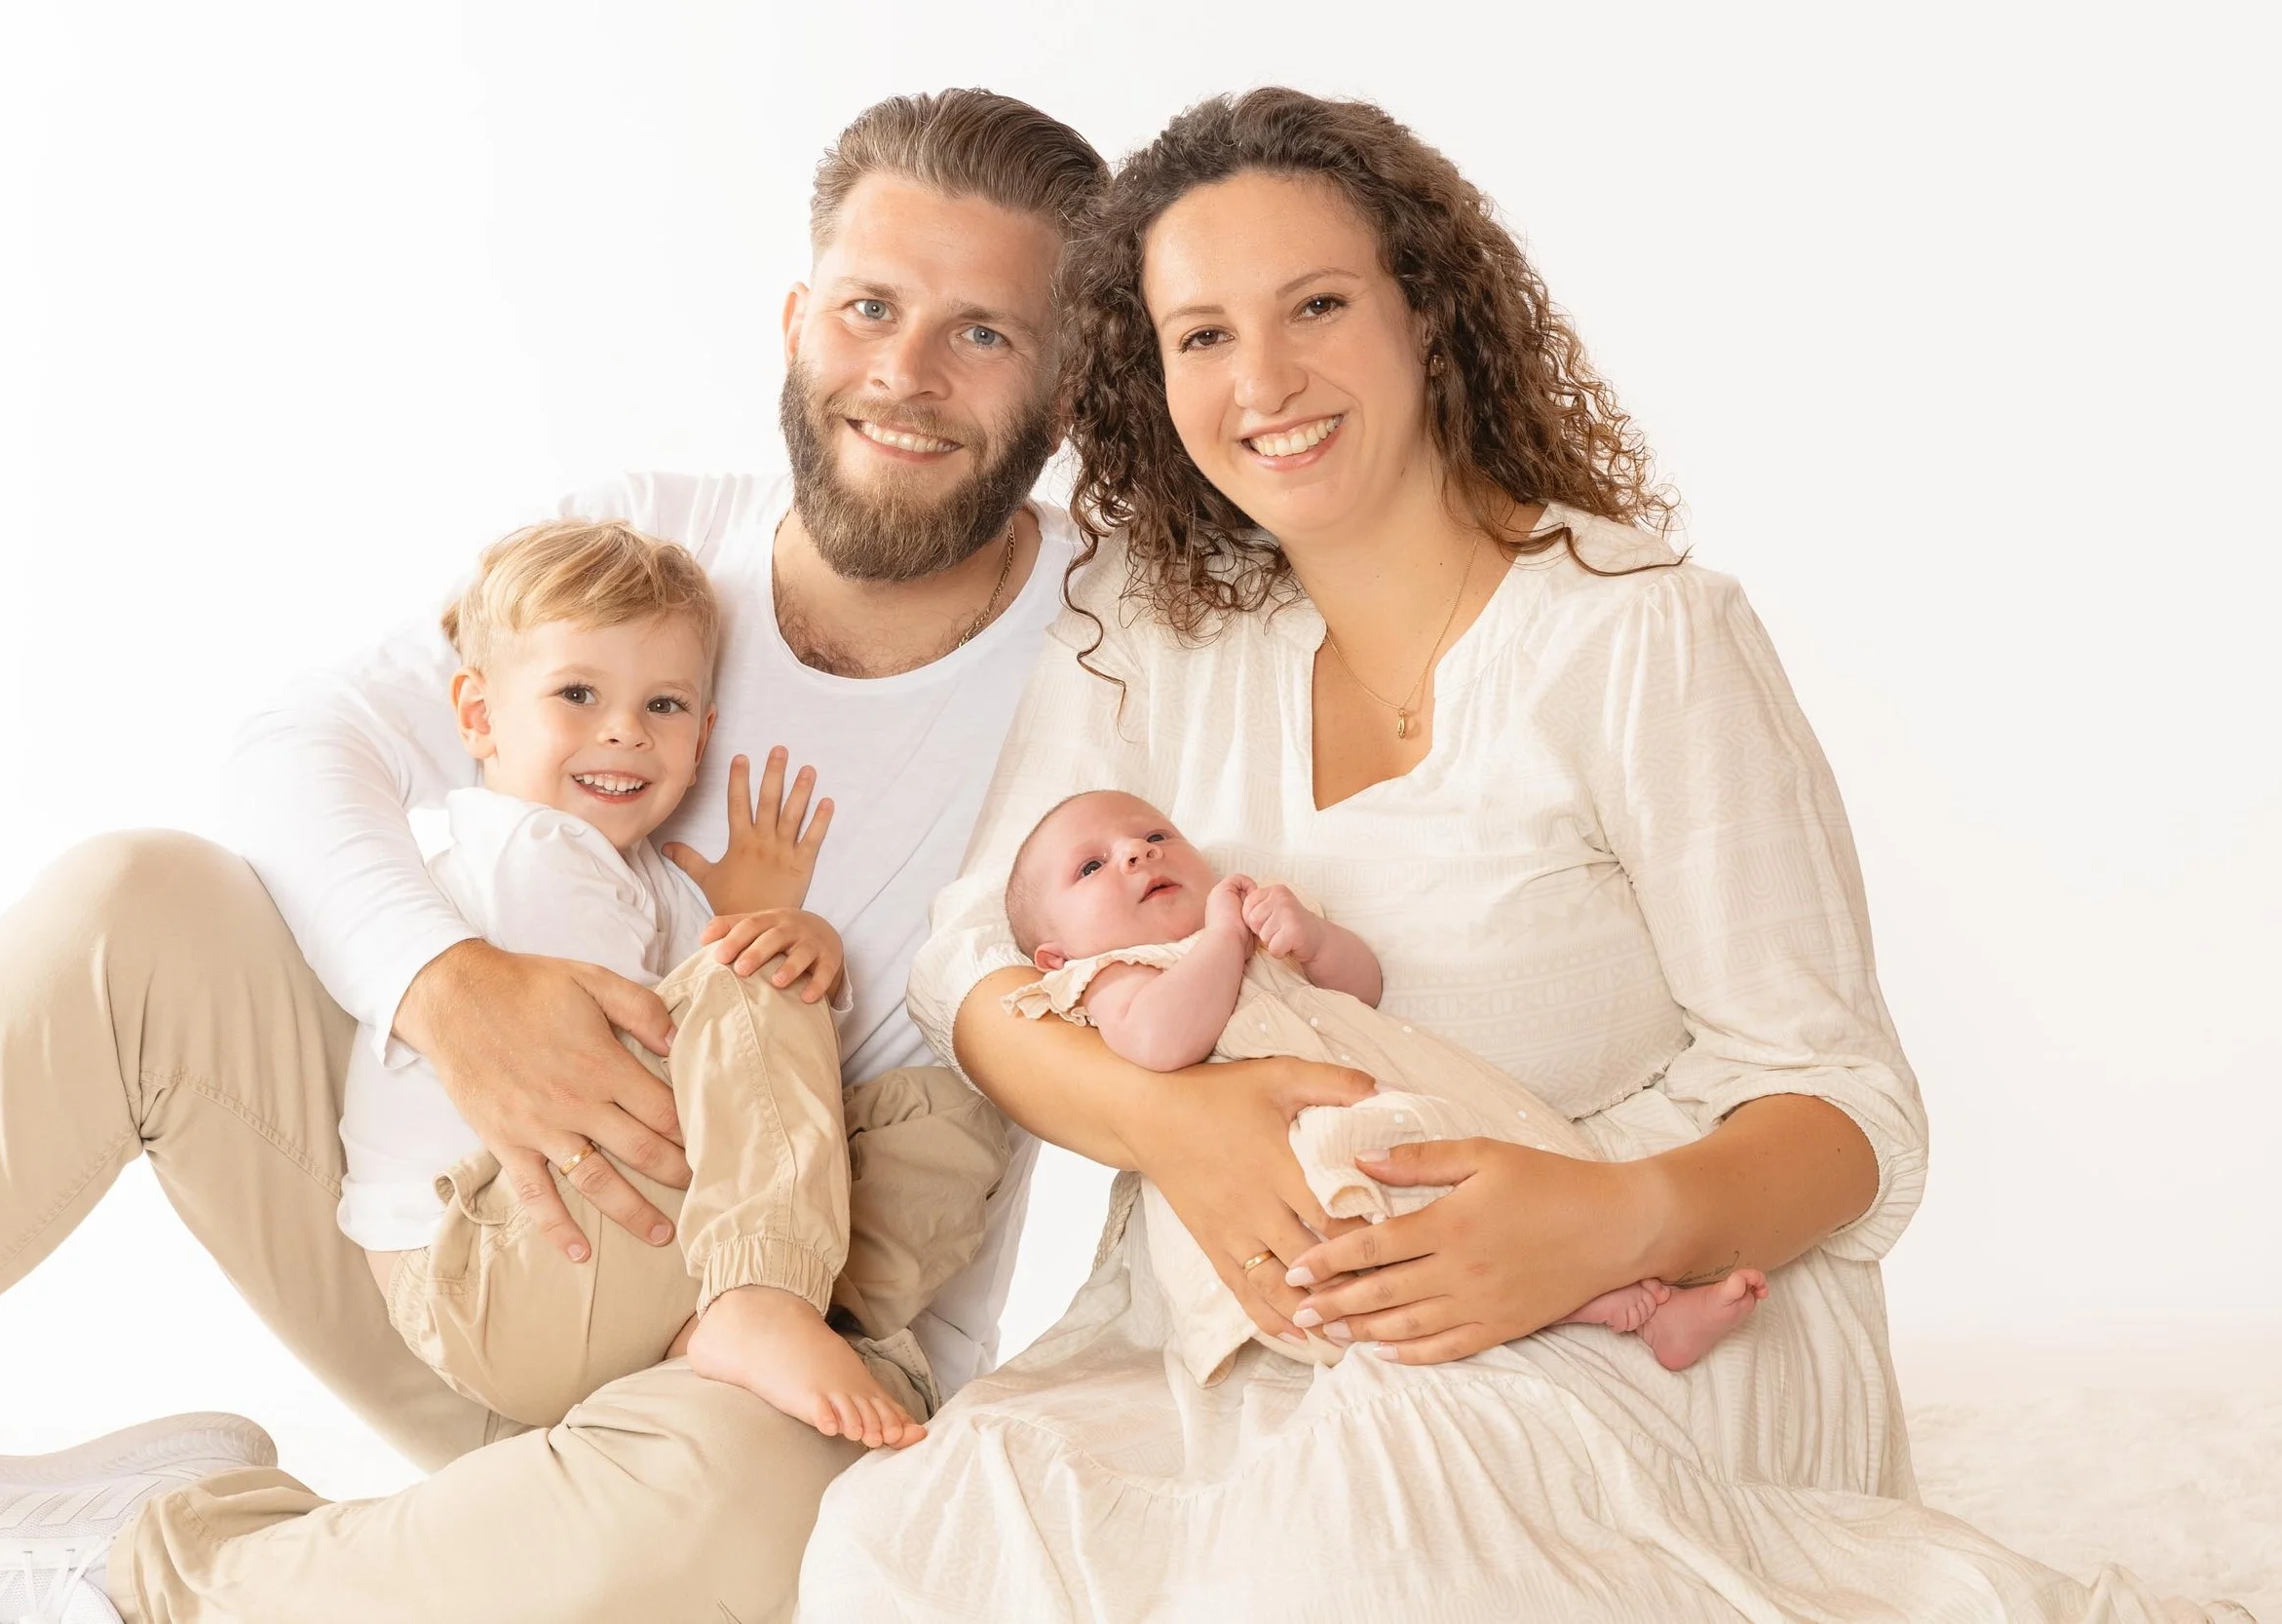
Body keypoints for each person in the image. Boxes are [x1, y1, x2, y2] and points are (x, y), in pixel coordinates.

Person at [797, 89, 2236, 1620]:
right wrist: (1183, 1131)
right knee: (901, 1541)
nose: (1263, 378)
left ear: (1428, 315)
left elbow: (1850, 1104)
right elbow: (977, 955)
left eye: (1318, 305)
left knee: (1334, 1556)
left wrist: (1610, 1220)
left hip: (1648, 1310)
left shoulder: (1641, 635)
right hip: (1248, 1321)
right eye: (1201, 334)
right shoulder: (1155, 635)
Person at [0, 89, 1105, 1624]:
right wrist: (447, 984)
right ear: (796, 317)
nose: (902, 375)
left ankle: (114, 1564)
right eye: (868, 306)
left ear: (1067, 377)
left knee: (715, 1518)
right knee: (132, 903)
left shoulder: (1120, 646)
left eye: (982, 333)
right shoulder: (650, 544)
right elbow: (304, 740)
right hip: (462, 1276)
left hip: (766, 1371)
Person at [341, 518, 1014, 1450]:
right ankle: (762, 1300)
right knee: (755, 975)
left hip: (594, 1255)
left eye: (663, 706)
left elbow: (735, 1079)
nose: (623, 729)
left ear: (701, 734)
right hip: (494, 1264)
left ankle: (747, 1317)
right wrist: (759, 950)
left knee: (944, 1113)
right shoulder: (529, 855)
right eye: (577, 693)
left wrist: (765, 921)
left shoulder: (638, 874)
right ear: (480, 715)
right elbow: (668, 1070)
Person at [1002, 787, 1768, 1381]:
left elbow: (1361, 986)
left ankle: (1633, 1297)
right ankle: (1606, 1308)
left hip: (1382, 1106)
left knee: (1502, 1182)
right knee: (1389, 1236)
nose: (1136, 852)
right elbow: (1163, 1042)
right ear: (1052, 954)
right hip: (1279, 1169)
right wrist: (1224, 939)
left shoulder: (1254, 923)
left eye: (1155, 834)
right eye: (1092, 865)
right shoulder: (1107, 979)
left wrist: (1314, 939)